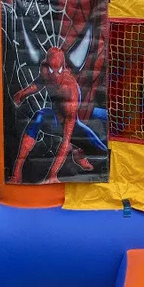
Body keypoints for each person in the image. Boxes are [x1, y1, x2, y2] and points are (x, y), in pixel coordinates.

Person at [11, 45, 107, 184]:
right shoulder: (45, 71)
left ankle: (78, 153)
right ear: (46, 65)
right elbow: (39, 84)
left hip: (71, 124)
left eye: (59, 70)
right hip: (54, 119)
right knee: (38, 117)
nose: (54, 75)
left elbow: (65, 140)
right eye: (51, 70)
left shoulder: (70, 90)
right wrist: (23, 94)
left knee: (101, 150)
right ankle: (16, 172)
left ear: (64, 68)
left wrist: (52, 175)